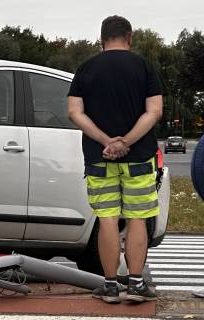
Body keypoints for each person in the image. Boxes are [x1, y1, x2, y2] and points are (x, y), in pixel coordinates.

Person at [68, 15, 164, 304]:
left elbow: (74, 112)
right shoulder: (144, 67)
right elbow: (154, 111)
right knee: (136, 218)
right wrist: (127, 142)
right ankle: (135, 284)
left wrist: (106, 141)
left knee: (107, 218)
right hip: (139, 159)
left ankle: (110, 286)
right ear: (129, 37)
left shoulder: (86, 68)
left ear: (101, 39)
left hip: (99, 159)